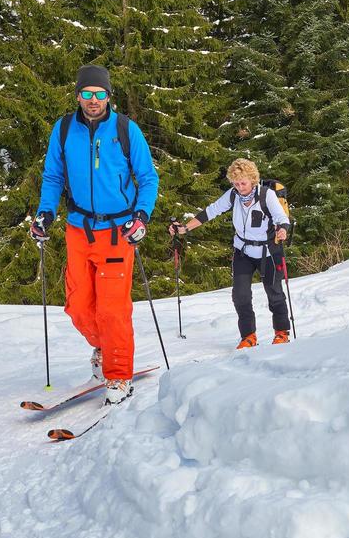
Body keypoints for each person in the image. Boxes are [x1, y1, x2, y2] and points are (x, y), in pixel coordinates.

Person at [30, 65, 158, 403]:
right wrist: (46, 212)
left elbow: (147, 178)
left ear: (108, 96)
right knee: (79, 306)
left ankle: (118, 375)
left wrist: (142, 216)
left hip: (118, 231)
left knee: (112, 309)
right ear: (78, 96)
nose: (93, 100)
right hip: (78, 229)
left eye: (99, 94)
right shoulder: (63, 129)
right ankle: (103, 347)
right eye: (87, 94)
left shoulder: (126, 130)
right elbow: (53, 176)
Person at [170, 158, 290, 349]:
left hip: (268, 251)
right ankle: (248, 336)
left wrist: (282, 229)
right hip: (243, 251)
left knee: (274, 292)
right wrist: (186, 228)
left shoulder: (266, 195)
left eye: (243, 183)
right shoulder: (233, 195)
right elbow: (211, 211)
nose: (240, 187)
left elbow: (281, 217)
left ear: (252, 179)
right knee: (240, 295)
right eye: (236, 183)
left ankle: (282, 333)